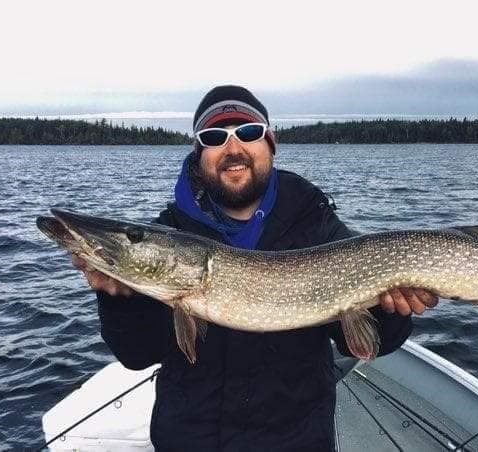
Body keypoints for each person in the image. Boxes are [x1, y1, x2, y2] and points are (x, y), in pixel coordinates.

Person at [71, 85, 438, 451]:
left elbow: (367, 342)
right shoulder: (171, 231)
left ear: (270, 143)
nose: (233, 148)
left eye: (248, 132)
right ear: (199, 153)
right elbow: (137, 355)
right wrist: (119, 299)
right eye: (214, 137)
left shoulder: (313, 222)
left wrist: (391, 311)